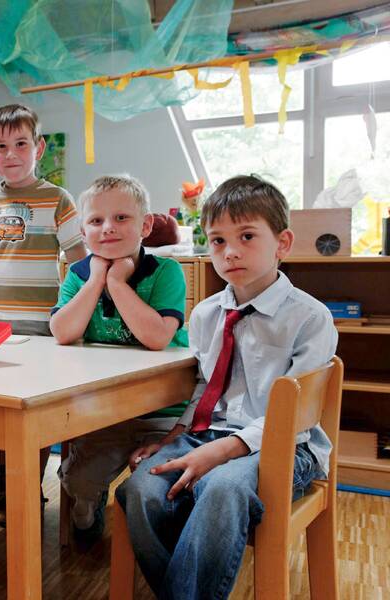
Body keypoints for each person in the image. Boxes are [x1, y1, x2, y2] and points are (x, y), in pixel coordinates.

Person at [117, 175, 338, 600]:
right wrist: (175, 437)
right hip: (206, 434)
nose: (230, 251)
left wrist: (223, 450)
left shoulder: (310, 317)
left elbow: (296, 417)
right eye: (217, 241)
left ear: (283, 243)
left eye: (247, 236)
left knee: (220, 488)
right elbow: (204, 386)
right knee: (139, 490)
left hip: (288, 445)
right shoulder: (205, 314)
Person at [0, 103, 87, 516]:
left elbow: (79, 258)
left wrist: (82, 305)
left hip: (41, 328)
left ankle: (27, 485)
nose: (11, 154)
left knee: (29, 412)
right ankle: (4, 481)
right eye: (1, 146)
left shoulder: (56, 199)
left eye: (20, 144)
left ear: (39, 147)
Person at [50, 174, 188, 546]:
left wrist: (117, 284)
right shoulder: (79, 276)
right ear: (83, 229)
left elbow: (158, 337)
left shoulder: (166, 272)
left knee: (158, 486)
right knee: (79, 480)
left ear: (145, 226)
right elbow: (63, 331)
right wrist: (97, 279)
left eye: (121, 218)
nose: (108, 229)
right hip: (106, 411)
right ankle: (86, 511)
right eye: (96, 221)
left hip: (165, 412)